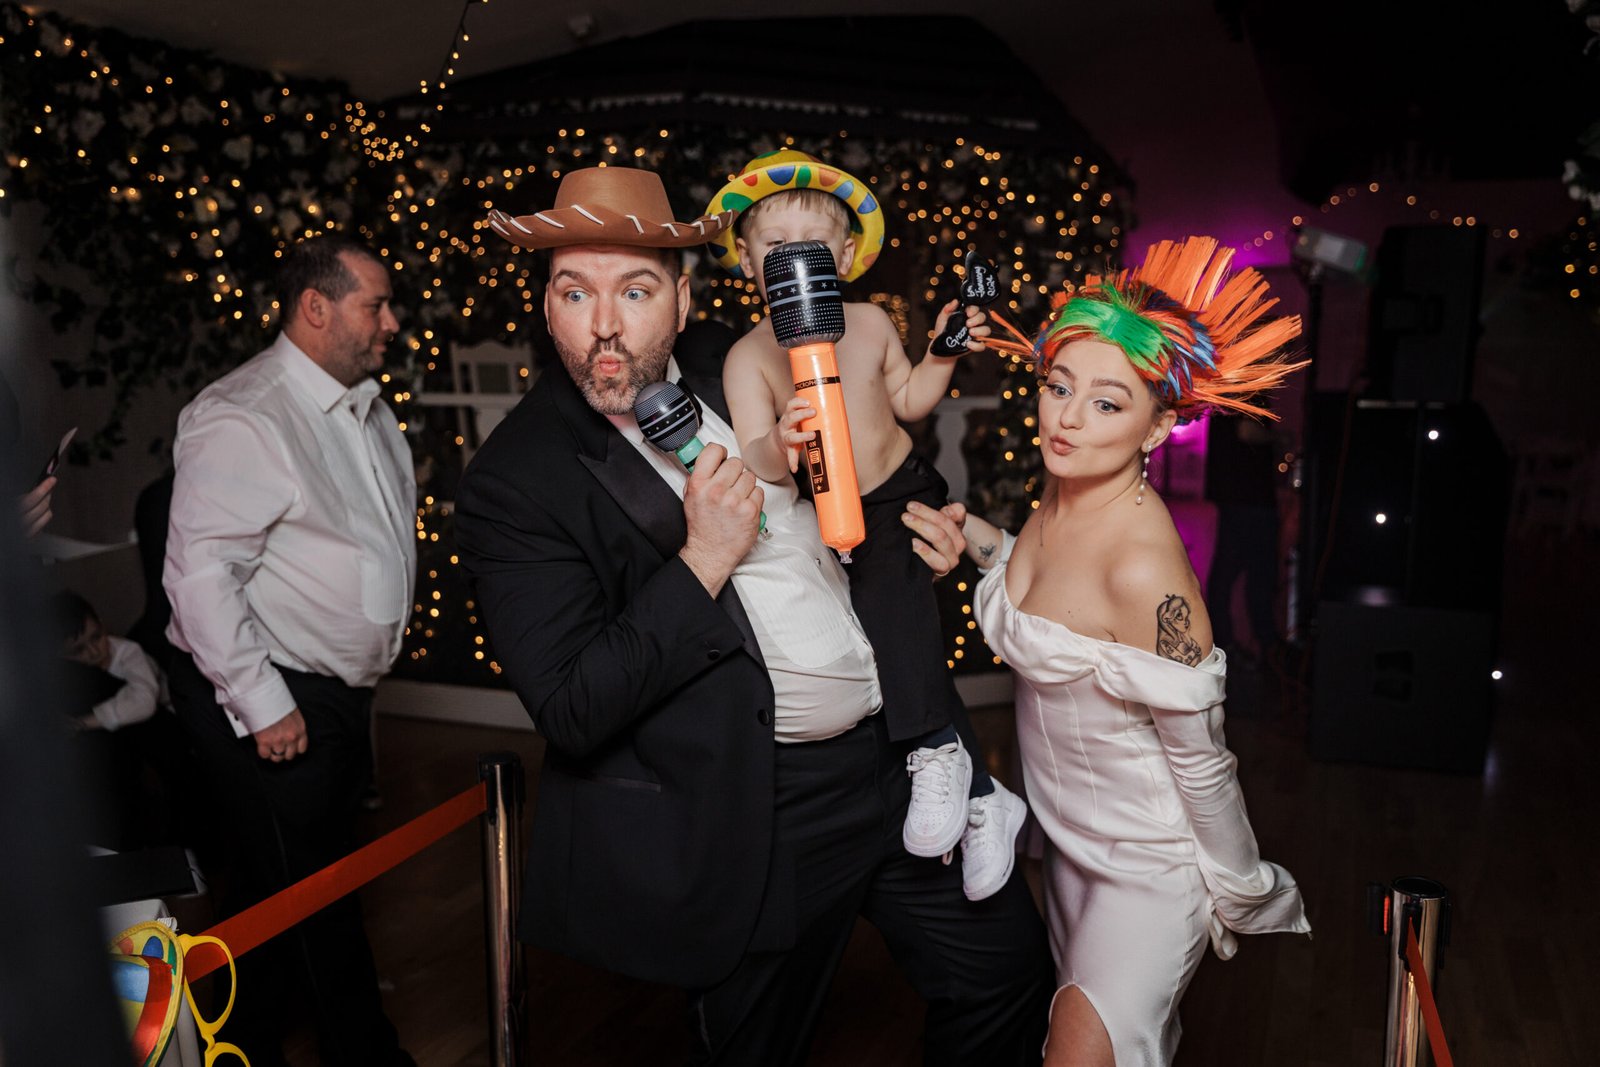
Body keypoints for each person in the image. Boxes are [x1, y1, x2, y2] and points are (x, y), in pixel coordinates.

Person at [465, 166, 1053, 1065]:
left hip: (905, 757)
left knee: (1008, 977)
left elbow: (870, 453)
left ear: (684, 299)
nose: (606, 325)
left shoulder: (747, 356)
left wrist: (924, 531)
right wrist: (704, 557)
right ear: (547, 307)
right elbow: (575, 704)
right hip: (764, 809)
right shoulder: (517, 477)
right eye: (575, 292)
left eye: (636, 290)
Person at [949, 236, 1312, 1066]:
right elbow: (1051, 596)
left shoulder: (1146, 568)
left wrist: (1241, 884)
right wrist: (972, 537)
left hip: (1146, 869)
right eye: (1059, 386)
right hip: (1064, 851)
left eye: (1107, 403)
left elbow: (1202, 761)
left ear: (1162, 423)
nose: (1067, 418)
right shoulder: (1063, 492)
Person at [705, 150, 1027, 899]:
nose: (793, 258)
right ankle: (985, 794)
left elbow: (911, 400)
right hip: (826, 511)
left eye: (812, 246)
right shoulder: (748, 356)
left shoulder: (872, 322)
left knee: (893, 613)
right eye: (774, 246)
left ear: (845, 259)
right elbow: (757, 455)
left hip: (898, 495)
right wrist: (779, 442)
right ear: (747, 262)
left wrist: (942, 350)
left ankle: (937, 749)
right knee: (885, 641)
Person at [163, 236, 416, 1065]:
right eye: (375, 305)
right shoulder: (245, 414)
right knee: (318, 892)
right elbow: (201, 577)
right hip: (270, 690)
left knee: (273, 881)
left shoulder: (366, 405)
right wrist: (265, 704)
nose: (392, 322)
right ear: (316, 307)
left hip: (335, 693)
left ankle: (234, 1044)